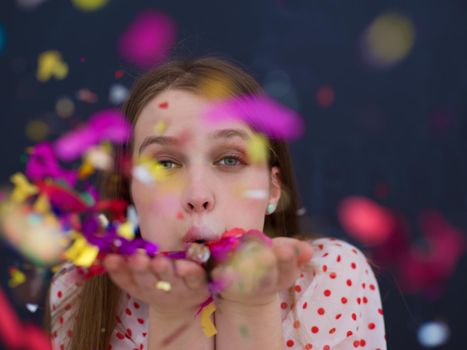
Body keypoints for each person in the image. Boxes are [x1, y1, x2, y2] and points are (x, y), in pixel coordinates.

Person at [48, 57, 386, 350]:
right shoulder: (79, 289)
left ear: (272, 190)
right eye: (165, 164)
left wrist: (252, 309)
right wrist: (174, 315)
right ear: (129, 191)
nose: (197, 196)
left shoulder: (330, 277)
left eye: (229, 160)